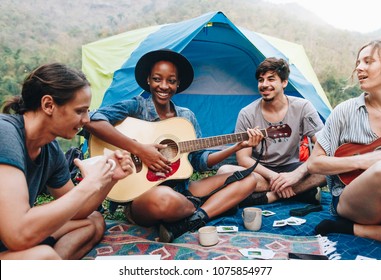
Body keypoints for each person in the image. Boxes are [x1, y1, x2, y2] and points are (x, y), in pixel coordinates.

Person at [84, 49, 264, 242]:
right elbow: (92, 119)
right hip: (145, 196)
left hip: (184, 190)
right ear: (148, 80)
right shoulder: (137, 107)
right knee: (164, 198)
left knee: (249, 179)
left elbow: (199, 161)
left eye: (171, 81)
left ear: (178, 84)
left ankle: (193, 219)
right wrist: (140, 150)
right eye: (157, 79)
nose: (164, 86)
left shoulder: (186, 117)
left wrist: (236, 147)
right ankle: (206, 207)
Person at [0, 63, 134, 260]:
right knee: (43, 257)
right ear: (48, 105)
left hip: (10, 237)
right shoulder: (6, 134)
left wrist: (109, 178)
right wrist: (89, 184)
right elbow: (17, 235)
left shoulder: (50, 149)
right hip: (14, 234)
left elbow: (77, 211)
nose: (87, 120)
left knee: (93, 221)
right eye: (80, 111)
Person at [307, 40, 381, 245]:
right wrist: (365, 160)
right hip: (350, 199)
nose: (359, 67)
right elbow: (314, 163)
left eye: (368, 61)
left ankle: (353, 230)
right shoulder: (345, 111)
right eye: (358, 62)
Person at [218, 57, 326, 206]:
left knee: (329, 169)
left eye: (271, 79)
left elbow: (323, 145)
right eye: (261, 80)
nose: (264, 85)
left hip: (292, 169)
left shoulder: (303, 107)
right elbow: (243, 159)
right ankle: (297, 192)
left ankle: (270, 197)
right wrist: (275, 177)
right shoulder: (247, 113)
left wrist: (296, 175)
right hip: (260, 171)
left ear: (284, 82)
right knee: (224, 171)